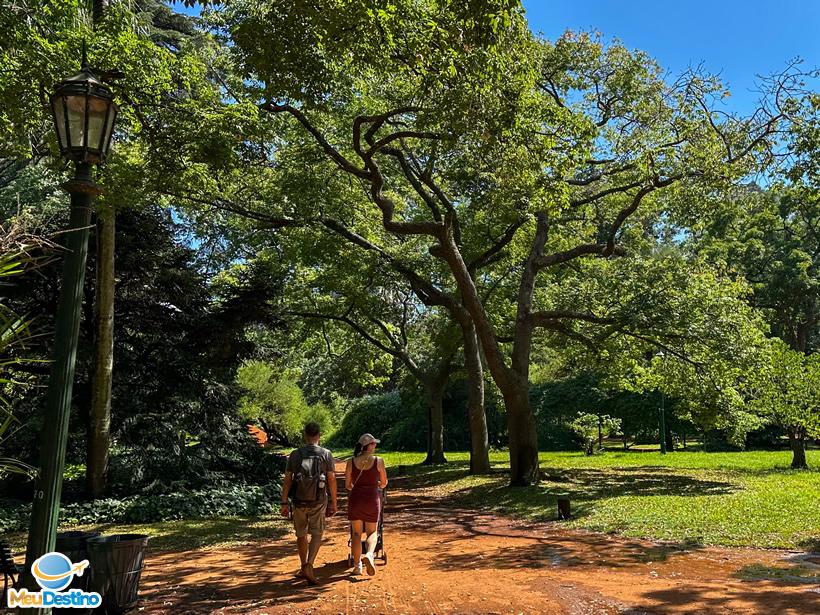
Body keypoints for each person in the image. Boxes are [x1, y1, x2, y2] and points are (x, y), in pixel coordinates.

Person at [280, 422, 338, 585]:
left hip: (298, 501)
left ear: (305, 436)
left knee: (301, 534)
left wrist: (284, 502)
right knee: (317, 533)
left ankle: (303, 564)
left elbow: (288, 480)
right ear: (319, 436)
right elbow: (332, 480)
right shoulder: (326, 454)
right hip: (318, 500)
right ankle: (309, 565)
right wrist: (334, 501)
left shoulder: (295, 454)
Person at [345, 433, 388, 576]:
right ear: (368, 446)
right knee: (372, 531)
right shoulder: (378, 461)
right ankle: (369, 554)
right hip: (372, 499)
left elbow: (348, 485)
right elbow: (384, 483)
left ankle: (357, 566)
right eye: (373, 443)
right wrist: (376, 484)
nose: (375, 445)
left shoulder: (351, 462)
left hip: (356, 499)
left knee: (356, 533)